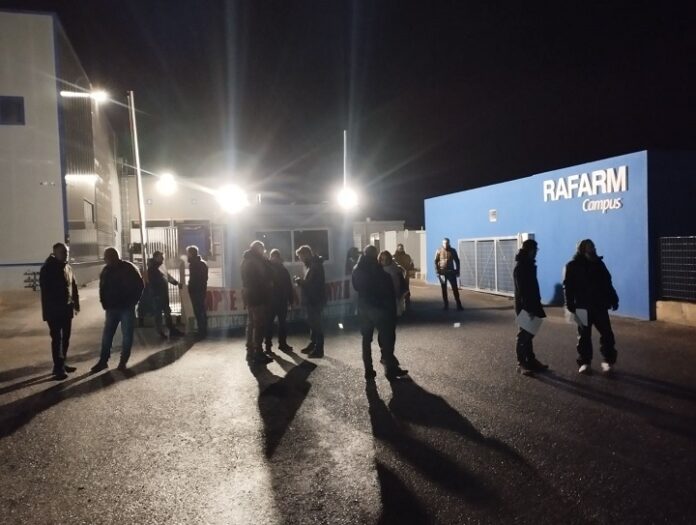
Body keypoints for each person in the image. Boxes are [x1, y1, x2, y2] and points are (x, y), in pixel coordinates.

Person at [353, 245, 409, 381]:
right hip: (379, 309)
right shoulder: (379, 269)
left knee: (366, 341)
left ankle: (368, 370)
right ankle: (390, 369)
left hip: (364, 308)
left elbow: (356, 287)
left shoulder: (357, 269)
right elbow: (387, 291)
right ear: (375, 255)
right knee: (387, 339)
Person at [564, 239, 619, 374]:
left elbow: (607, 283)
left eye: (593, 246)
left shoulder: (599, 263)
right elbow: (568, 286)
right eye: (589, 246)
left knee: (607, 334)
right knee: (583, 336)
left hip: (599, 305)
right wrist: (570, 303)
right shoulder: (573, 265)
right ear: (582, 249)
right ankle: (585, 362)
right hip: (581, 306)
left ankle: (608, 361)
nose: (593, 248)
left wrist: (613, 298)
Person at [91, 248, 144, 372]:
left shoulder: (128, 268)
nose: (105, 260)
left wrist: (133, 301)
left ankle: (121, 361)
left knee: (125, 336)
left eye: (106, 257)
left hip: (125, 307)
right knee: (109, 335)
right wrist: (104, 303)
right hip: (112, 308)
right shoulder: (107, 270)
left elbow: (139, 285)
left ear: (113, 257)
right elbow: (102, 288)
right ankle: (104, 361)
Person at [39, 242, 80, 380]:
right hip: (54, 311)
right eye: (63, 252)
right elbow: (47, 291)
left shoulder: (67, 267)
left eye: (66, 252)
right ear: (55, 253)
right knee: (57, 339)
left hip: (66, 309)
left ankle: (62, 363)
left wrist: (76, 304)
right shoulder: (47, 268)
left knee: (66, 338)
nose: (66, 254)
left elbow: (73, 286)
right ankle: (58, 368)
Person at [513, 239, 548, 375]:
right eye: (535, 250)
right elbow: (522, 290)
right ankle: (521, 363)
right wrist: (528, 309)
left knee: (529, 333)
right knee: (524, 335)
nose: (536, 252)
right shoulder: (521, 267)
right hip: (525, 306)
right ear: (530, 250)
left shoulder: (528, 264)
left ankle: (531, 360)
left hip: (532, 304)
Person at [241, 241, 273, 365]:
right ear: (259, 249)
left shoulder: (246, 260)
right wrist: (266, 261)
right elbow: (266, 275)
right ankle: (258, 352)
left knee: (251, 324)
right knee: (259, 325)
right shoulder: (256, 261)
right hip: (258, 296)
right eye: (262, 249)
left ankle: (250, 350)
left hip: (250, 296)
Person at [294, 245, 326, 358]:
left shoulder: (314, 266)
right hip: (313, 299)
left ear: (306, 254)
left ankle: (319, 349)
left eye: (300, 257)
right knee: (313, 323)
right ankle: (313, 345)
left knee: (316, 324)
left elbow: (311, 284)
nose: (300, 259)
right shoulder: (312, 265)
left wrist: (299, 281)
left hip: (314, 299)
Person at [265, 248, 296, 353]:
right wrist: (290, 300)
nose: (274, 259)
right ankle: (274, 345)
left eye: (275, 257)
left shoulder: (277, 269)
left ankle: (275, 345)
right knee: (273, 323)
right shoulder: (275, 269)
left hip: (278, 301)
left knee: (278, 323)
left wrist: (291, 300)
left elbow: (288, 286)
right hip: (275, 301)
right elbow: (288, 286)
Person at [147, 250, 183, 339]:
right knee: (159, 313)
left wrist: (176, 283)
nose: (163, 258)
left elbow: (167, 276)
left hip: (161, 294)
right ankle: (161, 331)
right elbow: (158, 280)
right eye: (161, 257)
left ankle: (170, 329)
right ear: (156, 257)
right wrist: (175, 283)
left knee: (166, 312)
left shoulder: (159, 266)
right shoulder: (153, 268)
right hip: (158, 294)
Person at [434, 237, 463, 310]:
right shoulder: (439, 250)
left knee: (455, 289)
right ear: (442, 243)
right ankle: (446, 305)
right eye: (444, 243)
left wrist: (457, 271)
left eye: (447, 243)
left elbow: (457, 261)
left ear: (449, 243)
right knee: (444, 289)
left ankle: (459, 305)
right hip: (442, 273)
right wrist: (437, 272)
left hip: (451, 272)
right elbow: (435, 261)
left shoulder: (453, 251)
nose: (445, 244)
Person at [187, 245, 208, 339]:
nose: (187, 255)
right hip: (201, 290)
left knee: (198, 311)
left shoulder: (193, 264)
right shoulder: (203, 263)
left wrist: (190, 288)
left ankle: (201, 331)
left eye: (188, 253)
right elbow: (204, 278)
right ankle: (204, 329)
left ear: (191, 254)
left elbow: (193, 279)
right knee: (202, 310)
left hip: (195, 291)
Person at [379, 250, 407, 317]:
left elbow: (399, 284)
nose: (384, 261)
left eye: (386, 259)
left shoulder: (395, 269)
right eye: (382, 259)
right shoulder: (378, 269)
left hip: (393, 296)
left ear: (389, 259)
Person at [393, 243, 415, 312]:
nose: (400, 249)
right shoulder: (394, 257)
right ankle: (398, 306)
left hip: (405, 276)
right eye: (399, 248)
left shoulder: (407, 256)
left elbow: (411, 265)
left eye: (401, 248)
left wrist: (411, 268)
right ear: (397, 248)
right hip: (397, 276)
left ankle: (407, 305)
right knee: (398, 290)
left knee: (406, 289)